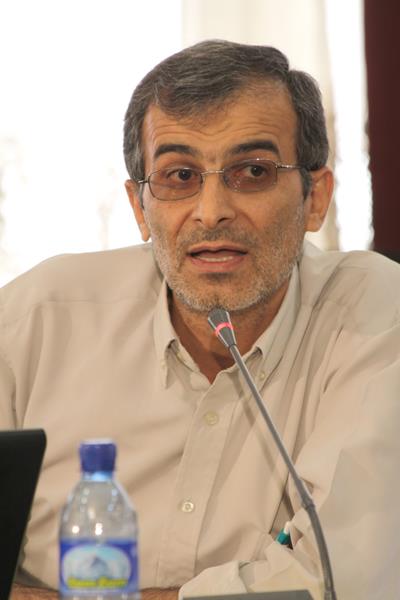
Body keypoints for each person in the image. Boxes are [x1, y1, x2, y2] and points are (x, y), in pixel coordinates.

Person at [3, 39, 400, 600]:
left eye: (253, 171)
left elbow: (344, 583)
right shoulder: (36, 320)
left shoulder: (373, 314)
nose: (211, 212)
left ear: (315, 198)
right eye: (180, 176)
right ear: (140, 207)